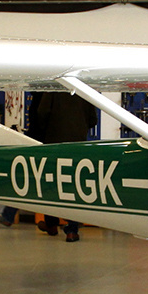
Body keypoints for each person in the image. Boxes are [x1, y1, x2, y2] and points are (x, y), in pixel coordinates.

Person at [29, 91, 98, 243]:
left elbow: (42, 112)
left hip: (54, 143)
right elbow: (93, 119)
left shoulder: (54, 89)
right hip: (78, 144)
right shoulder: (83, 89)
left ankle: (52, 225)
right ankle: (72, 230)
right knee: (73, 186)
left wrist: (45, 131)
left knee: (51, 184)